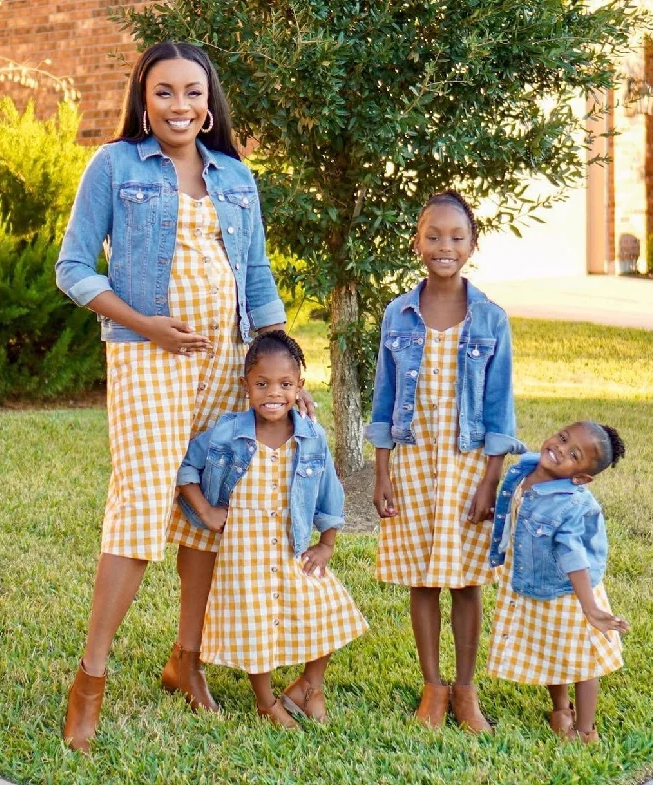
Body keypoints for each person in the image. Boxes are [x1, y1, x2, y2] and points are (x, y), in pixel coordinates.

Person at [55, 42, 313, 752]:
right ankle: (91, 678)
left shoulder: (235, 176)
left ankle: (186, 659)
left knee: (209, 512)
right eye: (164, 92)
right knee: (139, 507)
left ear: (210, 102)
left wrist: (288, 368)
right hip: (147, 358)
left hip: (231, 360)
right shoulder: (114, 166)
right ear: (144, 97)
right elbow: (72, 268)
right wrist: (145, 324)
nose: (179, 106)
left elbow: (257, 274)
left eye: (192, 92)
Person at [365, 190, 524, 732]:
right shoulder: (397, 314)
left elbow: (500, 408)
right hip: (412, 461)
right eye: (433, 236)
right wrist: (381, 470)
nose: (444, 247)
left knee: (466, 580)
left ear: (473, 244)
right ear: (417, 241)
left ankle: (465, 689)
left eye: (456, 237)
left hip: (467, 465)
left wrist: (491, 481)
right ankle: (432, 688)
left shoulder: (490, 319)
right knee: (422, 577)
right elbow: (384, 399)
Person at [177, 331, 368, 728]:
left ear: (299, 388)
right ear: (246, 386)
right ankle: (265, 701)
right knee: (256, 624)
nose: (273, 394)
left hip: (291, 544)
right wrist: (206, 511)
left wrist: (327, 543)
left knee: (326, 608)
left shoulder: (311, 437)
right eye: (262, 384)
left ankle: (309, 686)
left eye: (285, 384)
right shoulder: (229, 432)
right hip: (244, 553)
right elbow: (186, 467)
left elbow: (330, 494)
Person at [486, 421, 629, 743]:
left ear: (580, 478)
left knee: (581, 659)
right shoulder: (527, 467)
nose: (560, 448)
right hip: (534, 578)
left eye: (573, 454)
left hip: (569, 591)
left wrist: (589, 607)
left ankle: (585, 729)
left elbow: (572, 553)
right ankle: (561, 709)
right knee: (553, 648)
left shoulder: (567, 503)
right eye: (563, 438)